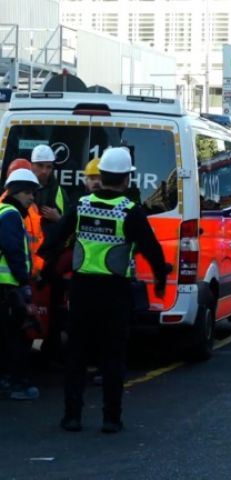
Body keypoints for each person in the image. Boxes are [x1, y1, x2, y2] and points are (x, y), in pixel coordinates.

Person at [39, 147, 169, 433]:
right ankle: (111, 418)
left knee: (76, 355)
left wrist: (45, 266)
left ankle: (71, 416)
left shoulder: (81, 206)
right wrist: (160, 277)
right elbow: (151, 249)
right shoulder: (130, 211)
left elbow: (56, 240)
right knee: (113, 357)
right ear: (125, 180)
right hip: (115, 292)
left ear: (104, 176)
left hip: (82, 290)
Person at [0, 169, 41, 400]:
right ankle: (17, 384)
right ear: (15, 192)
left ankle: (7, 379)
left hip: (5, 288)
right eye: (28, 192)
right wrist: (24, 284)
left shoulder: (3, 211)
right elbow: (13, 251)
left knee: (6, 338)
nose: (31, 198)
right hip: (8, 287)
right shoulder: (11, 215)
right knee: (17, 338)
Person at [31, 145, 69, 239]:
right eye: (40, 165)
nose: (44, 171)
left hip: (50, 248)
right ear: (31, 165)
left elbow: (69, 226)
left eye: (48, 167)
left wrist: (58, 218)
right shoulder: (22, 189)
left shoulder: (59, 192)